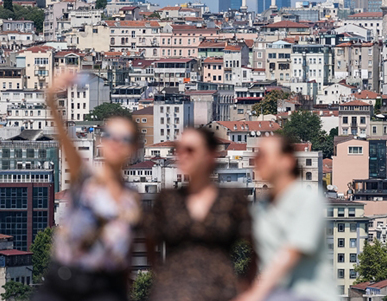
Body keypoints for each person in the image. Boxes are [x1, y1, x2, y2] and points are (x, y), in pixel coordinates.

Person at [34, 72, 142, 301]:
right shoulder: (85, 176)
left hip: (106, 287)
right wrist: (52, 100)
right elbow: (65, 140)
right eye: (109, 135)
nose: (115, 142)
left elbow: (127, 256)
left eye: (124, 138)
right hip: (65, 281)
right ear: (100, 141)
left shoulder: (132, 198)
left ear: (134, 147)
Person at [144, 127, 255, 301]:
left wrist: (247, 287)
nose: (182, 155)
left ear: (209, 155)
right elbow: (149, 242)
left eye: (190, 150)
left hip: (221, 292)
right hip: (172, 292)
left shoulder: (232, 198)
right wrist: (162, 278)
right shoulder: (167, 198)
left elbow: (255, 246)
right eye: (178, 149)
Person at [236, 136, 336, 301]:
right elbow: (256, 257)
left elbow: (290, 253)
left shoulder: (308, 198)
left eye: (263, 155)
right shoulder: (261, 207)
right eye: (255, 156)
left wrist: (255, 295)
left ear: (286, 161)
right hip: (275, 293)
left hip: (308, 294)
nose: (256, 161)